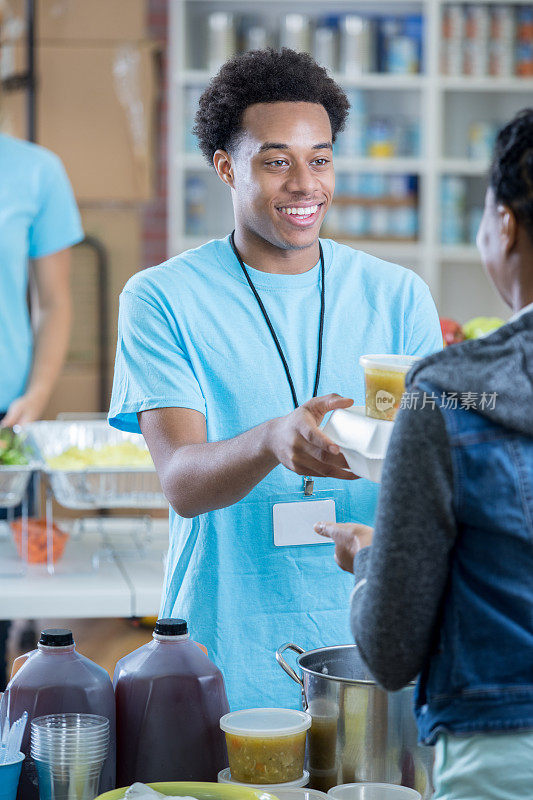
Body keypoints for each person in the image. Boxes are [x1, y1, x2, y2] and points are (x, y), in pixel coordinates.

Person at [108, 48, 443, 710]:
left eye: (319, 159)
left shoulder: (396, 295)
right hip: (222, 648)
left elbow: (435, 471)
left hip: (369, 643)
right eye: (275, 160)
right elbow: (180, 482)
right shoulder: (162, 298)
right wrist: (271, 441)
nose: (304, 184)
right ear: (227, 167)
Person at [316, 108, 533, 799]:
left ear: (503, 225)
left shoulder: (445, 395)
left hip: (499, 755)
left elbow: (388, 650)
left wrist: (372, 556)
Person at [0, 131, 83, 688]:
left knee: (4, 599)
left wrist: (38, 393)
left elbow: (54, 301)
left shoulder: (34, 170)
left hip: (6, 419)